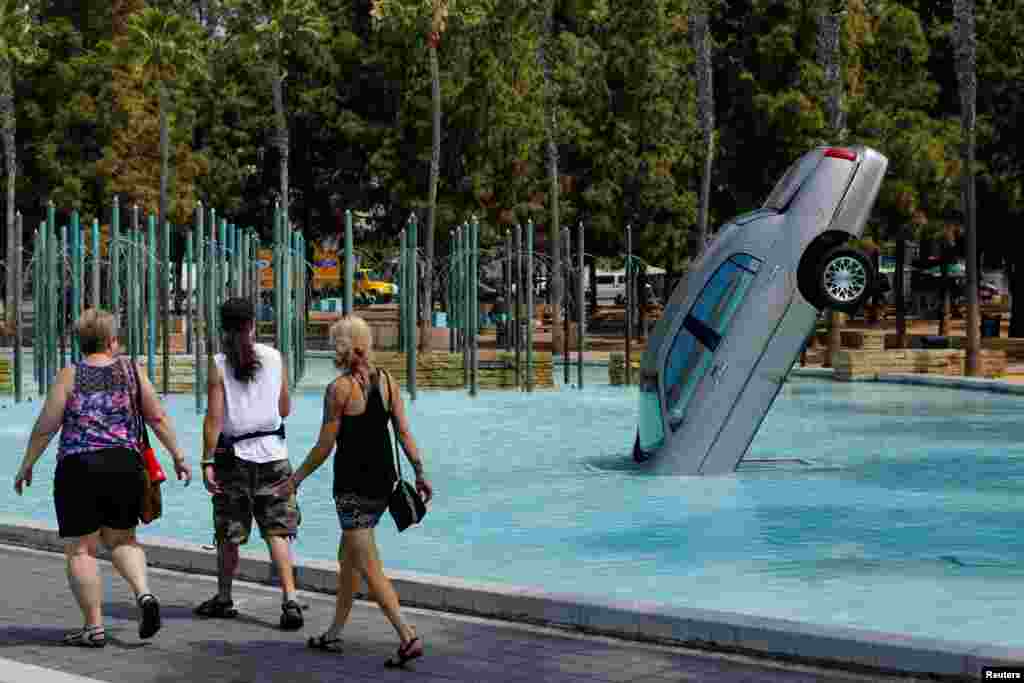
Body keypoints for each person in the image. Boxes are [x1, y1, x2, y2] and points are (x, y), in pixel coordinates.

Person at [13, 308, 191, 647]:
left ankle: (94, 628)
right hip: (124, 464)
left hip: (78, 467)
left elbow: (46, 427)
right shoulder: (130, 370)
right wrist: (178, 456)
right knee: (124, 539)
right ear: (111, 342)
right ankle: (144, 595)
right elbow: (157, 417)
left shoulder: (70, 375)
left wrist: (27, 464)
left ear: (81, 343)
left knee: (81, 550)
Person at [285, 315, 433, 666]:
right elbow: (404, 433)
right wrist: (420, 472)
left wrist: (296, 479)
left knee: (368, 566)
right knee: (347, 559)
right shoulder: (388, 383)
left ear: (340, 347)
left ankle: (407, 636)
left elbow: (325, 446)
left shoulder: (339, 389)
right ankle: (334, 632)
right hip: (384, 486)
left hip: (353, 492)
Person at [196, 297, 303, 630]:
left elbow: (214, 419)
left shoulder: (218, 364)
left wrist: (206, 460)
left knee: (230, 532)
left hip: (234, 459)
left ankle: (224, 598)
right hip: (274, 454)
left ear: (223, 329)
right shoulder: (274, 357)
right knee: (278, 531)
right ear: (253, 325)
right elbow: (285, 408)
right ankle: (290, 600)